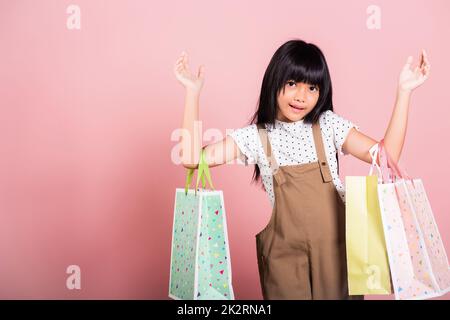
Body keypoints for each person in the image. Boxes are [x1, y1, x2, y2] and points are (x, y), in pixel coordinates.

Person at [173, 39, 430, 300]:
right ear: (274, 81)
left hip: (337, 255)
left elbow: (387, 156)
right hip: (285, 262)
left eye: (312, 87)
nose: (301, 96)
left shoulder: (328, 125)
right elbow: (192, 158)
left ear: (321, 92)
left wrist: (404, 92)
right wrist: (192, 93)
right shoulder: (255, 137)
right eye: (292, 83)